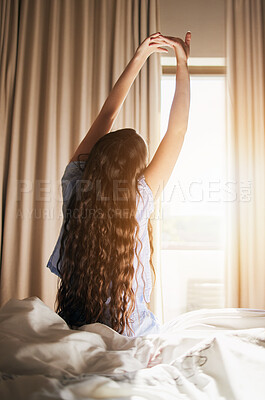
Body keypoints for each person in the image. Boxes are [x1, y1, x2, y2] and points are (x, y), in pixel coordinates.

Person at [47, 31, 191, 337]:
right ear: (135, 169)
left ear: (98, 157)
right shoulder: (138, 197)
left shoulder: (75, 184)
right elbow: (176, 132)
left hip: (75, 325)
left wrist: (140, 55)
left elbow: (108, 114)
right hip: (130, 332)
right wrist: (182, 62)